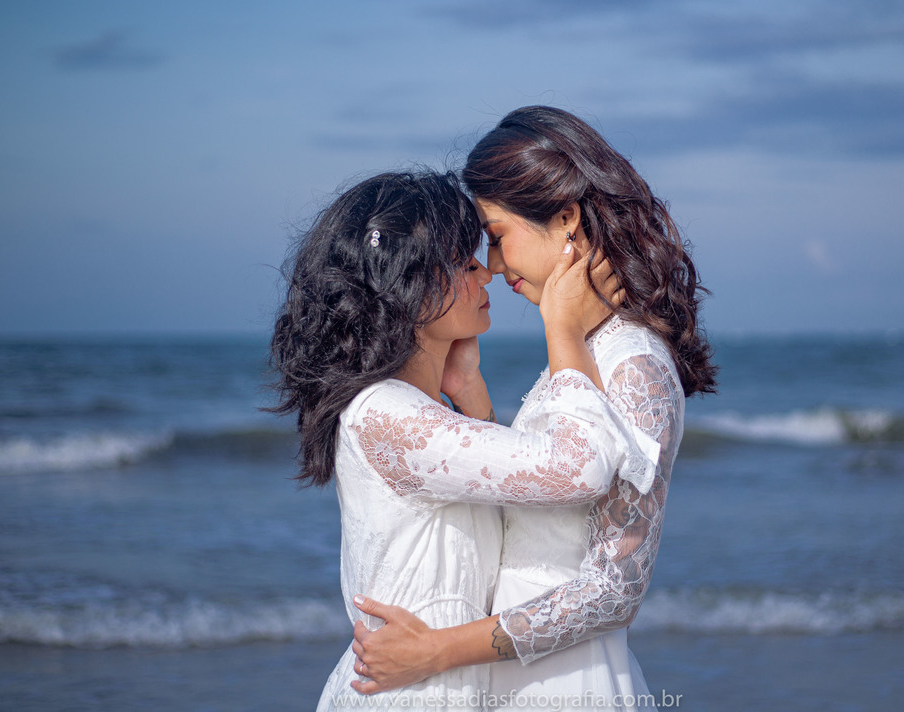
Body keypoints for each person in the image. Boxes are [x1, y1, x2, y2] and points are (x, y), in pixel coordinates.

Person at [348, 107, 717, 710]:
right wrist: (474, 401)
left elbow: (614, 591)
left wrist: (438, 650)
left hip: (567, 681)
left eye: (496, 238)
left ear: (566, 217)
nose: (492, 266)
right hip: (508, 671)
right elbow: (533, 505)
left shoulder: (633, 364)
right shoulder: (580, 350)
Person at [267, 170, 663, 711]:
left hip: (446, 686)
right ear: (408, 286)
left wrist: (470, 393)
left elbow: (512, 518)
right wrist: (564, 329)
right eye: (461, 260)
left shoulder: (419, 414)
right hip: (406, 695)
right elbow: (581, 470)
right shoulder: (383, 414)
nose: (486, 271)